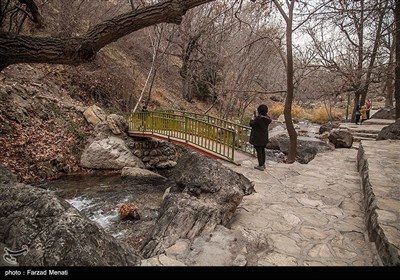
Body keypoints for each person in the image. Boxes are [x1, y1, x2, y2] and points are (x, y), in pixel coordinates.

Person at [249, 104, 272, 171]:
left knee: (259, 151)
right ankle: (263, 164)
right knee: (262, 151)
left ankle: (260, 165)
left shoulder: (258, 119)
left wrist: (252, 119)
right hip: (264, 137)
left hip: (258, 138)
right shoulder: (267, 118)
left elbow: (252, 124)